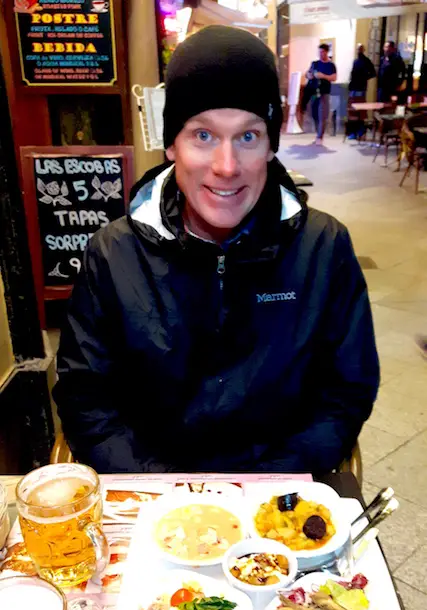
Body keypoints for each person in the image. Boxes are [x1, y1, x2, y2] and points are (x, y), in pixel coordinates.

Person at [54, 26, 379, 476]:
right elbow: (85, 396)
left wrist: (273, 486)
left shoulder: (323, 247)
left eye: (248, 137)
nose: (226, 167)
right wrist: (169, 495)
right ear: (172, 145)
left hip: (278, 498)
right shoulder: (112, 254)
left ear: (270, 146)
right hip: (154, 497)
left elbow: (346, 392)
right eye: (203, 136)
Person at [306, 43, 337, 145]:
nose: (320, 54)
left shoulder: (331, 65)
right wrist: (310, 75)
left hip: (324, 92)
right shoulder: (315, 63)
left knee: (322, 115)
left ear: (327, 52)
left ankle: (320, 136)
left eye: (323, 52)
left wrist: (322, 76)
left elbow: (333, 77)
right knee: (314, 114)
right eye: (319, 52)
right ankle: (317, 133)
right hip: (314, 92)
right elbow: (307, 73)